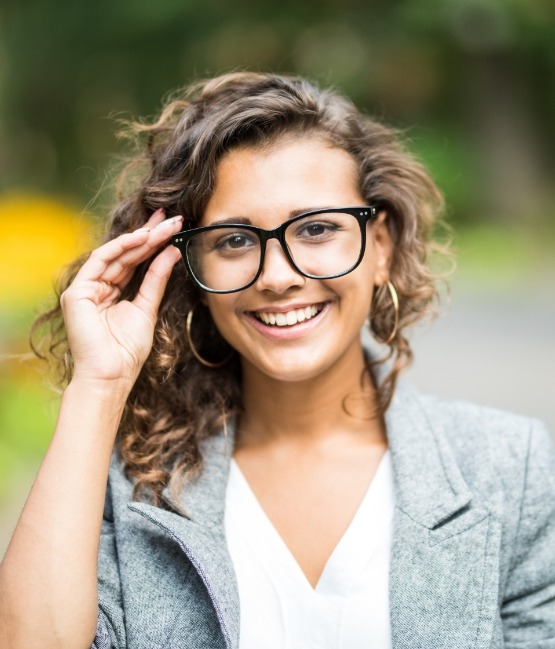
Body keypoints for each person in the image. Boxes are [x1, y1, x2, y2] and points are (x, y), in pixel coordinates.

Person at [1, 72, 554, 649]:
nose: (278, 277)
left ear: (381, 248)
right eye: (234, 241)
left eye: (316, 229)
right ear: (189, 266)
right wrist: (100, 384)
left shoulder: (510, 468)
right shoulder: (126, 484)